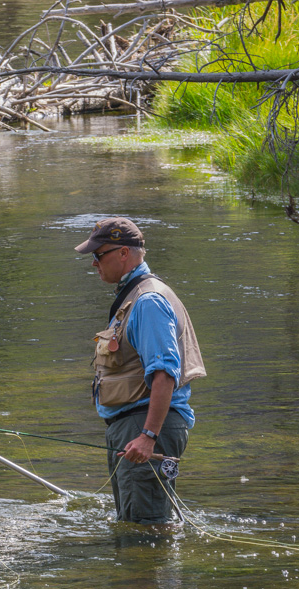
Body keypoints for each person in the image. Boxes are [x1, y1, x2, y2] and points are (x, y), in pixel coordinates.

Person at [75, 218, 206, 524]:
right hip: (134, 428)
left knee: (144, 535)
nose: (93, 264)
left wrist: (148, 435)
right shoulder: (135, 295)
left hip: (144, 428)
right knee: (134, 527)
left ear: (123, 253)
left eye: (98, 255)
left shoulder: (147, 302)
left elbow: (165, 374)